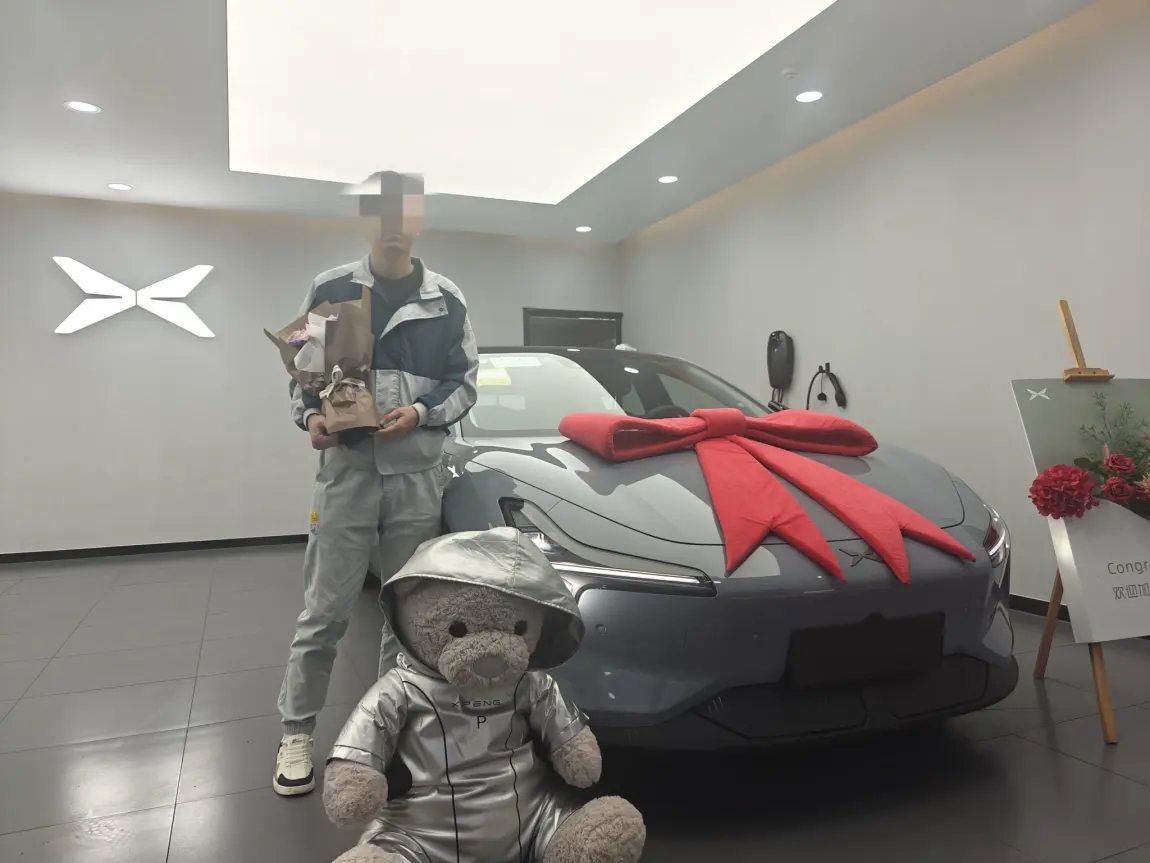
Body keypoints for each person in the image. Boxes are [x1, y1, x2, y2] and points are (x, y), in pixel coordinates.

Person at [274, 171, 479, 796]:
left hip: (416, 477)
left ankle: (390, 728)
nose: (394, 222)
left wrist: (420, 412)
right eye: (381, 210)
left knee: (405, 614)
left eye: (405, 210)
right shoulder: (332, 288)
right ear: (366, 219)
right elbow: (302, 372)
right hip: (348, 474)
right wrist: (311, 417)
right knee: (324, 613)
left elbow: (465, 381)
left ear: (419, 219)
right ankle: (296, 731)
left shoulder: (447, 299)